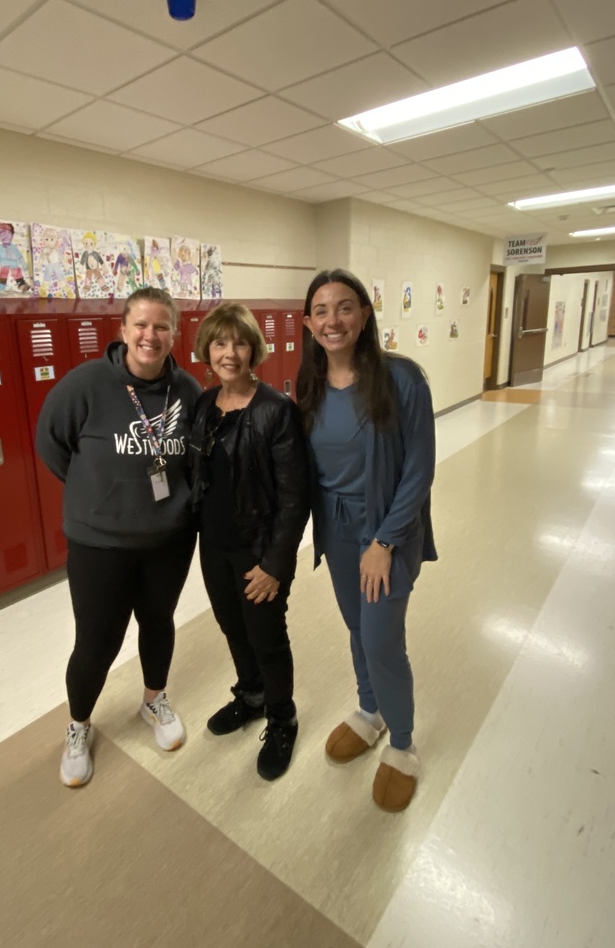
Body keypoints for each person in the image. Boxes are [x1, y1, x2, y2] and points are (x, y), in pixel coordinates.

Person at [36, 287, 201, 788]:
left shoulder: (188, 391)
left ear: (174, 333)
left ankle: (154, 702)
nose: (151, 336)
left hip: (168, 540)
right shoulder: (85, 385)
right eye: (141, 325)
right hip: (99, 543)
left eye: (161, 326)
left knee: (158, 622)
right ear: (123, 330)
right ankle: (79, 726)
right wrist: (97, 495)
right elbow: (51, 443)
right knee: (96, 641)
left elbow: (194, 460)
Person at [297, 269, 436, 812]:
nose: (334, 320)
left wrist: (384, 541)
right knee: (357, 626)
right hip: (335, 528)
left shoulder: (402, 379)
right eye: (322, 311)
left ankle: (401, 744)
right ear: (309, 324)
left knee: (381, 639)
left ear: (365, 314)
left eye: (345, 307)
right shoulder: (307, 385)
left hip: (384, 532)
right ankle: (369, 710)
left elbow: (419, 469)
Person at [189, 304, 310, 780]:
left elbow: (295, 497)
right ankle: (252, 695)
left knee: (266, 637)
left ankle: (283, 718)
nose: (230, 353)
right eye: (220, 343)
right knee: (233, 629)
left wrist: (276, 564)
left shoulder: (276, 411)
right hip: (214, 547)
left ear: (254, 349)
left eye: (239, 342)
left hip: (258, 551)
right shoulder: (204, 405)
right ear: (208, 351)